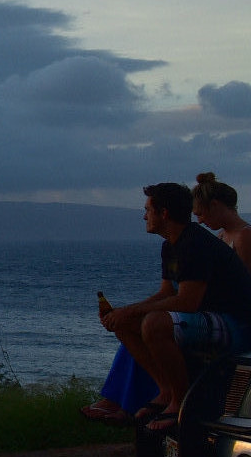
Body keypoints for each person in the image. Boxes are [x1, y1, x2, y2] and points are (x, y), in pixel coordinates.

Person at [100, 181, 251, 433]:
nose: (144, 215)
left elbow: (187, 302)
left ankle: (180, 403)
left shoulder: (195, 244)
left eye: (148, 210)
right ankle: (165, 389)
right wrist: (122, 313)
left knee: (154, 323)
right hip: (210, 317)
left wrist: (133, 311)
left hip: (236, 324)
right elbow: (166, 292)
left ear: (164, 213)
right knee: (125, 322)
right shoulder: (170, 245)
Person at [193, 172, 251, 267]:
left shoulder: (244, 237)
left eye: (200, 214)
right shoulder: (222, 235)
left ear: (214, 205)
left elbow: (243, 280)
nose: (199, 221)